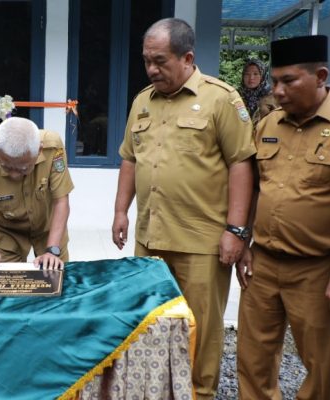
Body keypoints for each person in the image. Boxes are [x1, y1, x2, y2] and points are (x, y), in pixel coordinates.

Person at [111, 18, 256, 399]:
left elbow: (242, 163)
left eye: (160, 61)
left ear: (188, 57)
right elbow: (130, 159)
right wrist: (121, 211)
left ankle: (198, 394)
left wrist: (237, 230)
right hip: (150, 237)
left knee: (202, 330)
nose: (152, 69)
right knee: (150, 323)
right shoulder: (142, 100)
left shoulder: (221, 99)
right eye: (147, 61)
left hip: (202, 241)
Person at [234, 35, 330, 400]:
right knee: (252, 360)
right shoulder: (267, 126)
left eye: (288, 81)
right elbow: (256, 189)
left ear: (321, 75)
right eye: (274, 81)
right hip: (262, 264)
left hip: (318, 267)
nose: (277, 91)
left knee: (326, 366)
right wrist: (243, 240)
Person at [0, 117, 73, 270]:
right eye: (7, 167)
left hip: (48, 227)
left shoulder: (52, 148)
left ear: (39, 150)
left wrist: (52, 250)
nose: (14, 175)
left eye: (23, 169)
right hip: (8, 231)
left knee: (56, 277)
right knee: (10, 284)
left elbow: (61, 201)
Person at [240, 59, 277, 124]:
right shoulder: (236, 95)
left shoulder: (272, 96)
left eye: (256, 74)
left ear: (262, 75)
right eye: (247, 74)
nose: (251, 77)